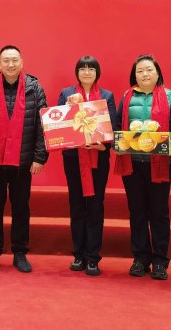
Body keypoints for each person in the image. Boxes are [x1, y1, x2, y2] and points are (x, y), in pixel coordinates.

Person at [0, 45, 48, 273]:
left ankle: (20, 252)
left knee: (21, 207)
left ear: (22, 62)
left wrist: (39, 157)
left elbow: (43, 125)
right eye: (6, 60)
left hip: (23, 161)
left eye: (15, 60)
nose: (11, 64)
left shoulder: (35, 88)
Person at [114, 55, 171, 280]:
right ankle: (140, 258)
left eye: (149, 70)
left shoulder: (170, 97)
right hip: (132, 163)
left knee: (159, 212)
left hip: (161, 163)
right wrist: (116, 142)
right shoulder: (126, 96)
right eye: (140, 71)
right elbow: (116, 126)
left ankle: (160, 261)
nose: (144, 74)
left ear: (157, 73)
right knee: (137, 212)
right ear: (134, 75)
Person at [57, 56, 115, 276]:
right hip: (73, 158)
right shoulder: (66, 93)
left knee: (95, 206)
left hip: (98, 157)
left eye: (91, 69)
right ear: (77, 72)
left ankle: (93, 257)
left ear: (97, 72)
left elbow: (113, 125)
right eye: (83, 69)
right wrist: (68, 107)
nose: (87, 72)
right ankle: (78, 255)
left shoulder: (107, 96)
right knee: (77, 205)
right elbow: (59, 124)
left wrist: (104, 146)